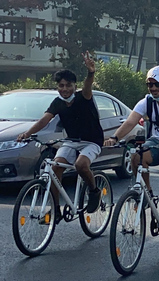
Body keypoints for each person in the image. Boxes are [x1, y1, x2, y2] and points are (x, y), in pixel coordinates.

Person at [104, 66, 159, 253]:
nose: (153, 89)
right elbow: (130, 121)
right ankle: (147, 194)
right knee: (136, 157)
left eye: (157, 84)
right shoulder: (147, 102)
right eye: (150, 85)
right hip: (156, 143)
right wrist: (115, 138)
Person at [17, 51, 103, 224]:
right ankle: (55, 210)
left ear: (74, 85)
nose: (64, 89)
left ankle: (94, 191)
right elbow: (44, 120)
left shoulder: (83, 96)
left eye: (68, 85)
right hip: (71, 141)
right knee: (55, 169)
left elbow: (87, 86)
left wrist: (91, 72)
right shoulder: (57, 103)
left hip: (92, 141)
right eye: (61, 85)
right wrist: (27, 134)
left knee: (81, 165)